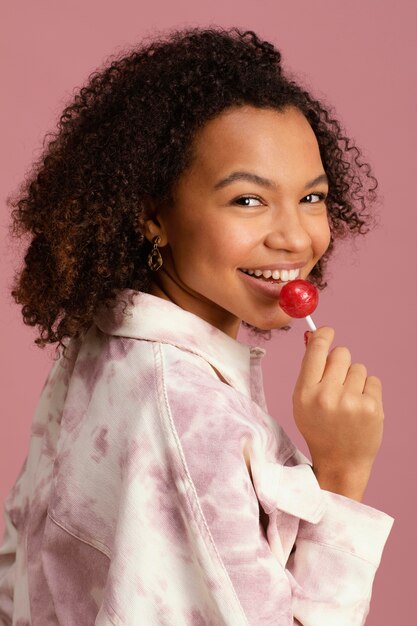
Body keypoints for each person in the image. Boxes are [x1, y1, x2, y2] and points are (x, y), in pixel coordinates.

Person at [0, 25, 394, 625]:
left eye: (311, 198)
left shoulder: (106, 345)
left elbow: (21, 557)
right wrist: (341, 475)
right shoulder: (187, 413)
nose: (294, 236)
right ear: (155, 214)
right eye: (248, 200)